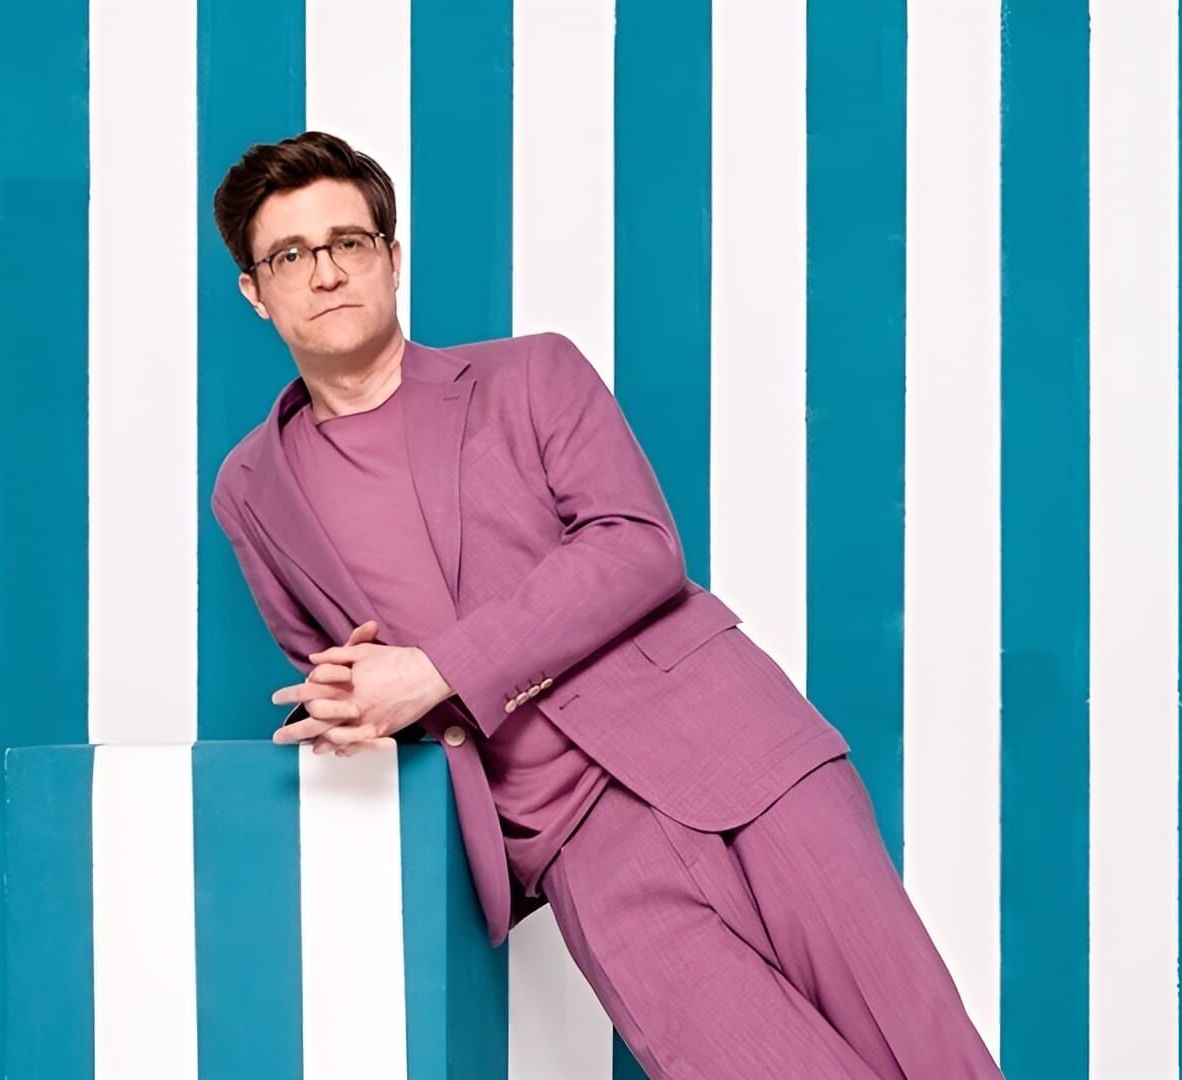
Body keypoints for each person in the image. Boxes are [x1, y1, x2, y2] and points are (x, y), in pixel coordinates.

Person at [207, 130, 1002, 1079]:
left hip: (737, 751)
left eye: (349, 242)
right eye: (291, 255)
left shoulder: (531, 374)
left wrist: (438, 670)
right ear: (254, 291)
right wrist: (356, 712)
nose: (327, 272)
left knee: (925, 1051)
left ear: (391, 256)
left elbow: (638, 547)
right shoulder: (250, 491)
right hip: (574, 846)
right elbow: (343, 672)